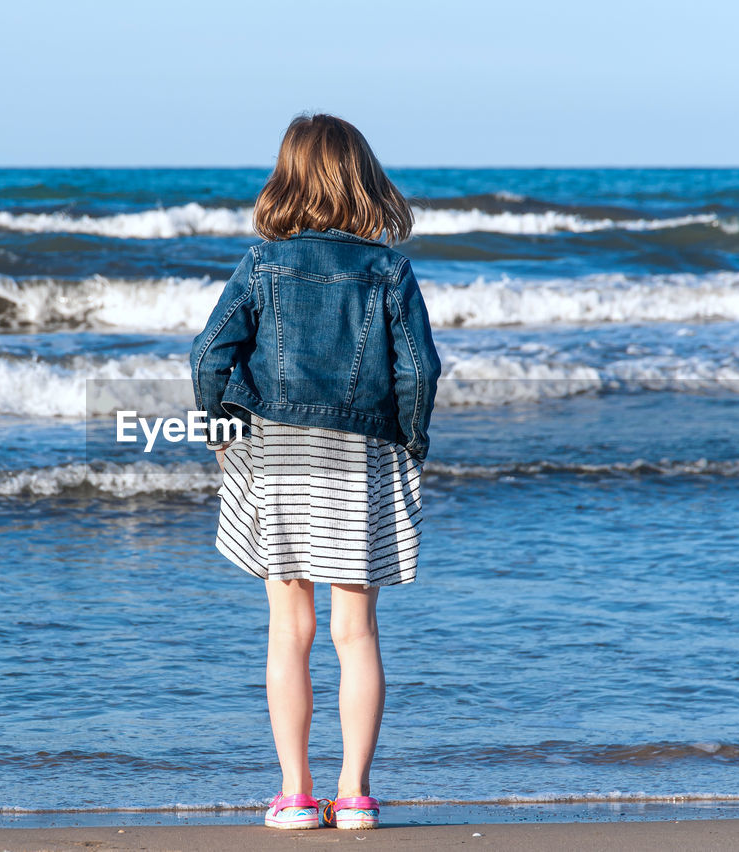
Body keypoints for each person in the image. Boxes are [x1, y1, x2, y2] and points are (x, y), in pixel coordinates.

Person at [190, 113, 441, 831]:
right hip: (360, 452)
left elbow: (210, 354)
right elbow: (418, 370)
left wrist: (219, 428)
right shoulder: (388, 267)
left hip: (276, 452)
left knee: (288, 629)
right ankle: (355, 794)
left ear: (286, 178)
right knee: (355, 631)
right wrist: (410, 440)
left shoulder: (262, 263)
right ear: (362, 178)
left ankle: (296, 793)